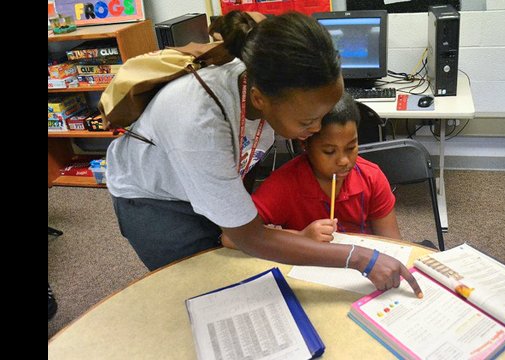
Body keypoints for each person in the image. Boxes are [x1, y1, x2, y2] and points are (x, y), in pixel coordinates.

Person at [106, 11, 422, 297]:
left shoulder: (266, 78)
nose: (316, 128)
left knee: (242, 270)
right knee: (204, 293)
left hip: (202, 178)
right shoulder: (198, 122)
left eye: (321, 115)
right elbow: (250, 237)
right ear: (260, 99)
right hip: (154, 202)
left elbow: (245, 169)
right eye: (307, 121)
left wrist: (244, 215)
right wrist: (359, 258)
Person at [222, 92, 402, 247]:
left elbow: (394, 244)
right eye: (329, 151)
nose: (344, 161)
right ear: (305, 145)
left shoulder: (371, 177)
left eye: (351, 147)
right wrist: (300, 237)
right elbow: (230, 237)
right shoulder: (286, 184)